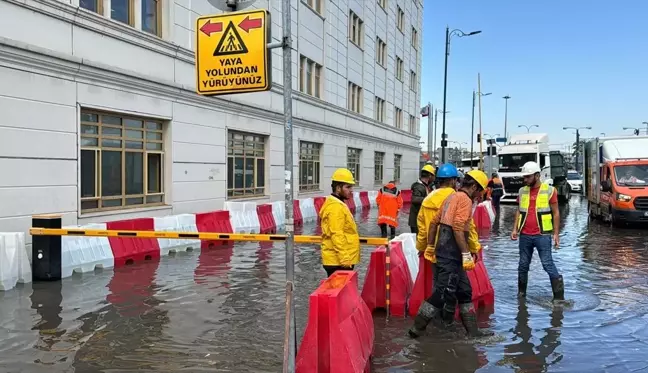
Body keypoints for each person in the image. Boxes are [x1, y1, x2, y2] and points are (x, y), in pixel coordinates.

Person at [409, 170, 493, 338]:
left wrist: (431, 246)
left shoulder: (451, 198)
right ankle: (416, 330)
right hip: (451, 253)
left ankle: (473, 332)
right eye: (480, 191)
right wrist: (466, 254)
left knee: (464, 291)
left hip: (445, 250)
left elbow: (433, 223)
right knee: (441, 293)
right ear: (474, 186)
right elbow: (457, 228)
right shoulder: (464, 200)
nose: (480, 195)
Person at [510, 161, 564, 301]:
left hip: (543, 235)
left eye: (528, 177)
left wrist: (556, 234)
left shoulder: (549, 190)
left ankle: (559, 298)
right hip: (525, 235)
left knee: (547, 264)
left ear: (537, 175)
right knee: (523, 265)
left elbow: (556, 213)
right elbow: (519, 211)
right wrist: (514, 229)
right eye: (524, 177)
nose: (525, 179)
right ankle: (521, 295)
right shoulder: (522, 191)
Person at [320, 168, 360, 278]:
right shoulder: (335, 207)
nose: (351, 190)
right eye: (348, 187)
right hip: (339, 262)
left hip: (339, 260)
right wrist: (345, 259)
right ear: (338, 188)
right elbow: (336, 234)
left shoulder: (337, 204)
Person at [409, 165, 435, 234]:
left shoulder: (426, 186)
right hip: (416, 221)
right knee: (417, 242)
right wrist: (430, 199)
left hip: (421, 219)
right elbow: (414, 199)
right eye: (433, 175)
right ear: (429, 175)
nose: (434, 178)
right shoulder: (418, 186)